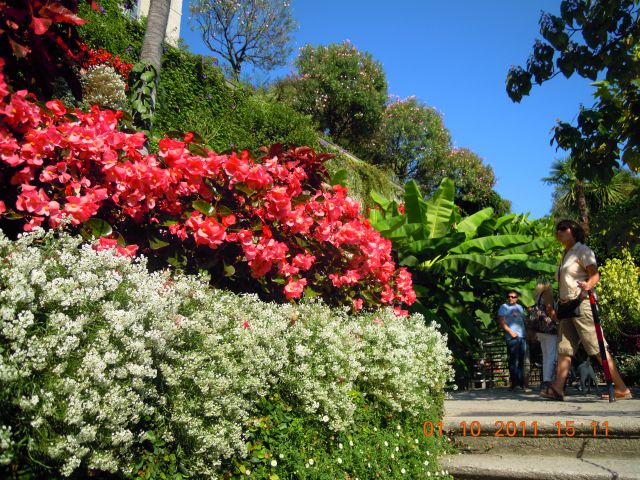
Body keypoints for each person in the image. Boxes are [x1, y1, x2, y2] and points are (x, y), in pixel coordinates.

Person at [540, 219, 632, 401]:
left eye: (563, 228)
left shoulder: (582, 250)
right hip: (566, 306)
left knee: (596, 347)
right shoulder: (565, 254)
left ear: (574, 231)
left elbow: (594, 274)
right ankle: (558, 388)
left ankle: (621, 388)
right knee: (564, 348)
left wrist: (587, 285)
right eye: (557, 229)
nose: (558, 231)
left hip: (581, 303)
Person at [530, 278, 558, 391]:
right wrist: (557, 321)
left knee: (546, 356)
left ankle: (546, 380)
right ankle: (549, 381)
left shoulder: (537, 297)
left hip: (540, 330)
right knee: (552, 356)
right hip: (550, 329)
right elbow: (550, 310)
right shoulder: (547, 295)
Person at [497, 290, 527, 391]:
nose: (511, 298)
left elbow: (523, 320)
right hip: (512, 337)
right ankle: (515, 384)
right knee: (513, 360)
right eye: (509, 296)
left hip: (522, 336)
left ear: (517, 298)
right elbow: (501, 322)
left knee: (521, 360)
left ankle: (521, 383)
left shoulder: (520, 307)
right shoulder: (504, 307)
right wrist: (510, 332)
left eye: (514, 297)